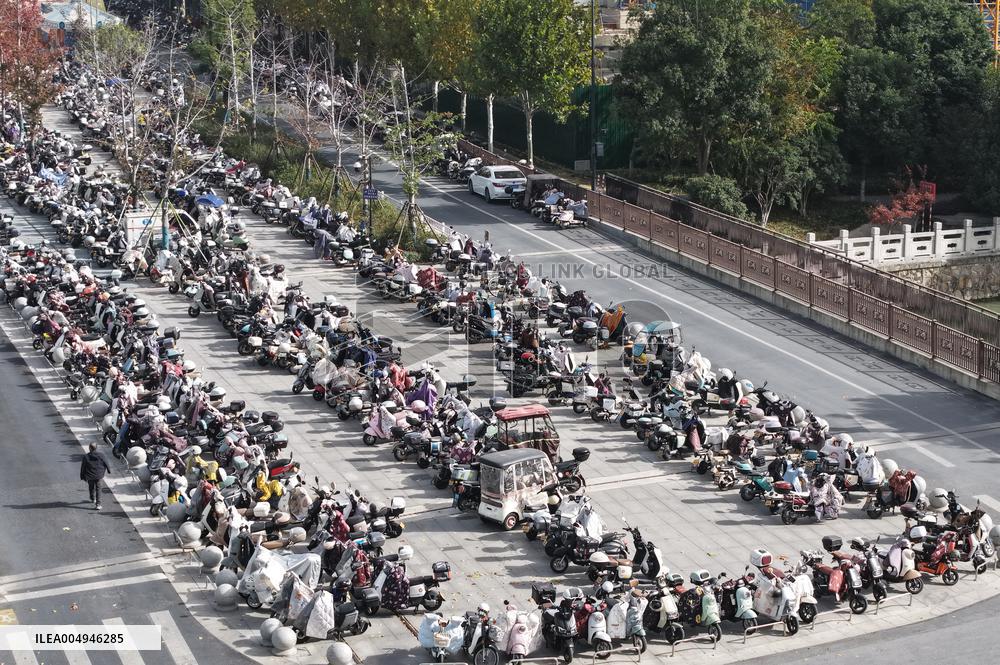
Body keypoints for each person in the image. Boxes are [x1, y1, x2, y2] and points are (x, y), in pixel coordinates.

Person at [80, 442, 112, 510]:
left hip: (90, 475)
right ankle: (98, 504)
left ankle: (92, 498)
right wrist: (109, 470)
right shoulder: (101, 455)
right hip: (99, 475)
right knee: (98, 489)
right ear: (96, 448)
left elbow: (83, 467)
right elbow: (106, 462)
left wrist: (82, 476)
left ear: (90, 448)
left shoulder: (86, 457)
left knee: (91, 487)